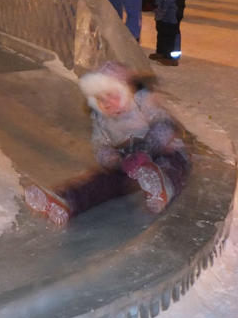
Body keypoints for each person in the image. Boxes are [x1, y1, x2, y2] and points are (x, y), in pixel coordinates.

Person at [24, 62, 190, 225]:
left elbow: (165, 123)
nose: (107, 102)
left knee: (170, 164)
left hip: (163, 149)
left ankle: (161, 188)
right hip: (129, 160)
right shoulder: (100, 118)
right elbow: (100, 145)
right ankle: (67, 201)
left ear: (124, 90)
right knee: (103, 181)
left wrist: (147, 149)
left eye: (112, 95)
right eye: (101, 98)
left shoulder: (142, 101)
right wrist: (112, 159)